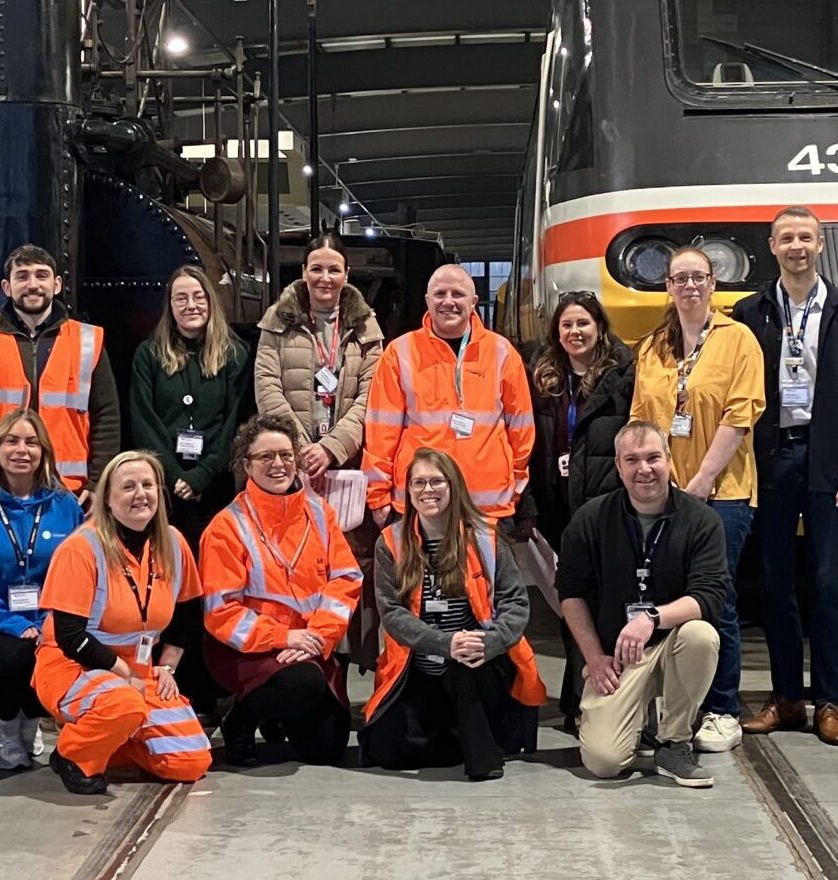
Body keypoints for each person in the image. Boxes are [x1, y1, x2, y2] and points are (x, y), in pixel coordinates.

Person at [729, 206, 838, 747]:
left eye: (806, 237)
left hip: (827, 458)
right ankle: (787, 697)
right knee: (774, 583)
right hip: (772, 458)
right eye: (787, 238)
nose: (797, 246)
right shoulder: (750, 312)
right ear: (772, 246)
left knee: (826, 582)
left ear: (820, 245)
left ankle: (828, 702)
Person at [629, 247, 765, 753]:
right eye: (680, 278)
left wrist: (701, 481)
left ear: (713, 283)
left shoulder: (738, 339)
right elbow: (641, 421)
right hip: (661, 495)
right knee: (664, 597)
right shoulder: (653, 347)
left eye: (698, 277)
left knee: (715, 600)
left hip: (722, 493)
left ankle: (722, 710)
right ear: (668, 286)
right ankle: (673, 708)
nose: (689, 286)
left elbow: (740, 414)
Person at [556, 422, 729, 786]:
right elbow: (570, 594)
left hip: (671, 646)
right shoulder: (590, 519)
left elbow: (709, 595)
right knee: (604, 763)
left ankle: (674, 741)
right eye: (632, 460)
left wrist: (651, 618)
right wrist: (594, 657)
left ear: (669, 460)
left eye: (653, 458)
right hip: (617, 656)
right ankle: (640, 719)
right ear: (618, 467)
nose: (644, 469)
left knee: (701, 636)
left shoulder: (702, 521)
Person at [33, 451, 212, 794]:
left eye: (148, 485)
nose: (140, 494)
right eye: (128, 487)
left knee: (190, 761)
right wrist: (124, 673)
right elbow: (71, 637)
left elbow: (188, 613)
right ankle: (73, 755)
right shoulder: (81, 548)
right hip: (72, 664)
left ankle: (108, 738)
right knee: (124, 705)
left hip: (139, 665)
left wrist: (167, 667)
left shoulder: (173, 543)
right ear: (108, 499)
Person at [360, 449, 545, 780]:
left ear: (453, 485)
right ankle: (465, 739)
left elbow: (516, 603)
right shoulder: (390, 542)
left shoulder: (486, 536)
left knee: (464, 667)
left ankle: (483, 761)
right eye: (418, 483)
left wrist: (487, 643)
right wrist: (445, 644)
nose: (427, 490)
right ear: (408, 490)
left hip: (481, 662)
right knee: (384, 748)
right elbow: (392, 614)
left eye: (436, 481)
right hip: (420, 668)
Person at [200, 416, 363, 766]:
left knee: (328, 748)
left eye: (287, 455)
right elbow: (222, 612)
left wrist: (317, 636)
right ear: (247, 465)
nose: (279, 464)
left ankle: (277, 715)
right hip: (245, 649)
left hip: (310, 644)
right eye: (266, 457)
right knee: (300, 685)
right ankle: (241, 718)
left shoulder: (319, 512)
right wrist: (284, 637)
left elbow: (346, 579)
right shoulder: (227, 526)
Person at [253, 234, 387, 662]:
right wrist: (299, 449)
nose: (324, 277)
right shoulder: (276, 323)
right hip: (291, 471)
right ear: (304, 273)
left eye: (333, 269)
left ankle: (344, 661)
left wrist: (330, 448)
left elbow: (372, 397)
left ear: (347, 275)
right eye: (317, 268)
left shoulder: (367, 330)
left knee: (347, 569)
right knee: (295, 565)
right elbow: (267, 387)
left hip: (346, 469)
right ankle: (297, 656)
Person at [521, 290, 635, 730]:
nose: (575, 332)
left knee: (604, 601)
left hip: (604, 506)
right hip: (557, 507)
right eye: (566, 325)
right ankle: (575, 699)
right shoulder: (543, 378)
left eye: (583, 323)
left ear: (599, 327)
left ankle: (602, 696)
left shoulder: (623, 375)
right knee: (570, 600)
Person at [0, 409, 86, 771]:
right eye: (11, 441)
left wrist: (46, 621)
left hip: (49, 617)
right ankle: (7, 724)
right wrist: (13, 623)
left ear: (44, 451)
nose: (21, 450)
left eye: (31, 442)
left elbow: (76, 574)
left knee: (57, 646)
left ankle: (30, 719)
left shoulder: (65, 505)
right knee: (14, 653)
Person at [0, 245, 120, 498]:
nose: (32, 284)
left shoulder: (88, 340)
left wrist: (97, 485)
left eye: (41, 275)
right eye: (22, 276)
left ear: (57, 285)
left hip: (68, 492)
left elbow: (106, 417)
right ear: (7, 287)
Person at [364, 264, 536, 527]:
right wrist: (377, 494)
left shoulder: (502, 352)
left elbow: (521, 428)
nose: (448, 302)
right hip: (421, 504)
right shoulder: (399, 353)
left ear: (474, 301)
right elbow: (380, 431)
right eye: (439, 294)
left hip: (488, 505)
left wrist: (517, 485)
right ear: (427, 301)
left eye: (457, 294)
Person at [129, 265, 249, 542]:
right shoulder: (149, 355)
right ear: (170, 305)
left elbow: (235, 424)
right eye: (181, 298)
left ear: (210, 301)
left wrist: (201, 476)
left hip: (217, 484)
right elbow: (144, 422)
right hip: (165, 486)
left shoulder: (235, 354)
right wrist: (175, 477)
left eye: (198, 296)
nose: (190, 305)